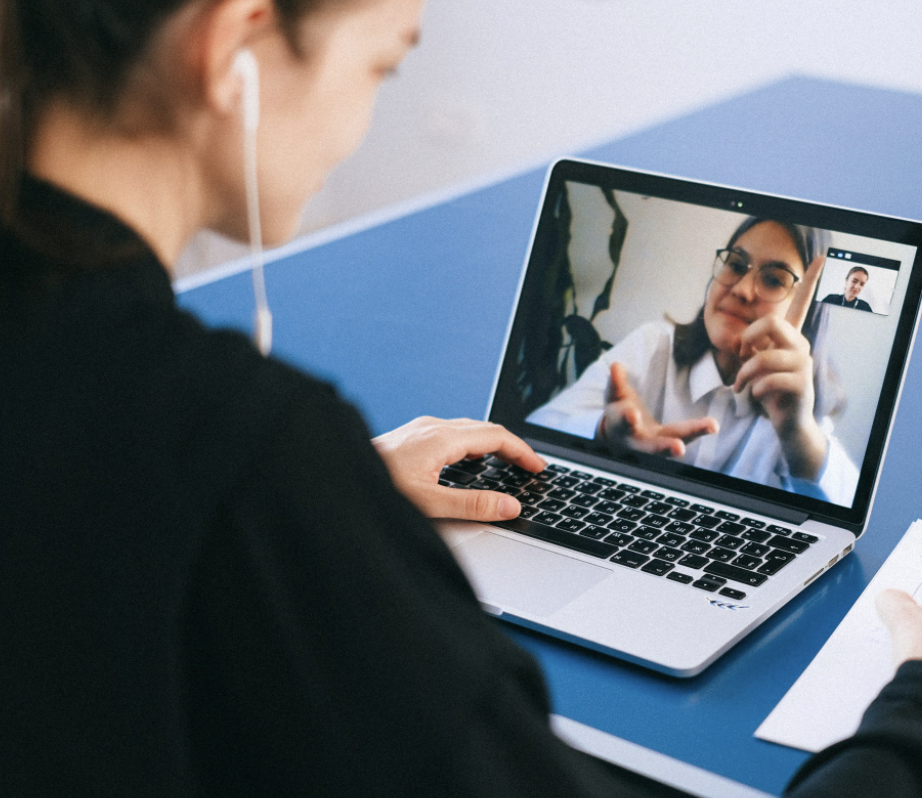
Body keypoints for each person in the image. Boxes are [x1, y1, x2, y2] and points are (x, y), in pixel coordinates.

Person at [2, 1, 922, 796]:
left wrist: (337, 491)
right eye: (380, 67)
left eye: (775, 276)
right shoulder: (257, 451)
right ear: (235, 44)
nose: (360, 124)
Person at [527, 217, 859, 505]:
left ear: (809, 310)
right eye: (735, 265)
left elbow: (846, 515)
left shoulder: (799, 410)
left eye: (773, 279)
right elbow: (539, 426)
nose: (742, 289)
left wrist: (798, 432)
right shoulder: (654, 345)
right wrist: (603, 431)